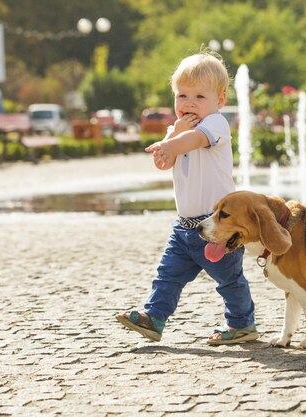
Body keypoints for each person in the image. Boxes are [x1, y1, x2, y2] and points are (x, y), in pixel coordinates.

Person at [115, 51, 258, 345]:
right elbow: (164, 162)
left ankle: (242, 324)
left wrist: (174, 141)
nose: (189, 103)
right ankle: (154, 318)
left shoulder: (216, 124)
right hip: (184, 228)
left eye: (199, 97)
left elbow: (194, 141)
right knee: (167, 275)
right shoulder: (175, 131)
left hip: (218, 227)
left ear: (219, 100)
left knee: (229, 280)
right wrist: (170, 140)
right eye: (182, 96)